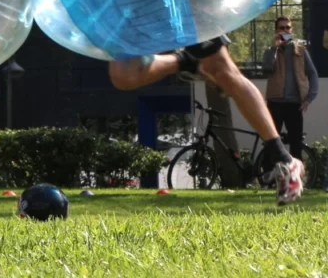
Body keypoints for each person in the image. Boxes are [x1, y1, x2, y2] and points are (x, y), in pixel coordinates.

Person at [109, 36, 304, 205]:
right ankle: (188, 61)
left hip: (183, 0)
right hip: (135, 1)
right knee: (123, 76)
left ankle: (284, 158)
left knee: (224, 71)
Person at [261, 16, 318, 165]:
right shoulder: (270, 50)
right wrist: (274, 47)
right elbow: (266, 69)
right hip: (275, 103)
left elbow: (312, 74)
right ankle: (269, 177)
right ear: (276, 31)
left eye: (288, 28)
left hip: (295, 104)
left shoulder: (300, 50)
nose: (285, 30)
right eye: (282, 28)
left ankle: (297, 178)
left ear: (291, 30)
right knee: (271, 141)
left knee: (296, 143)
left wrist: (309, 98)